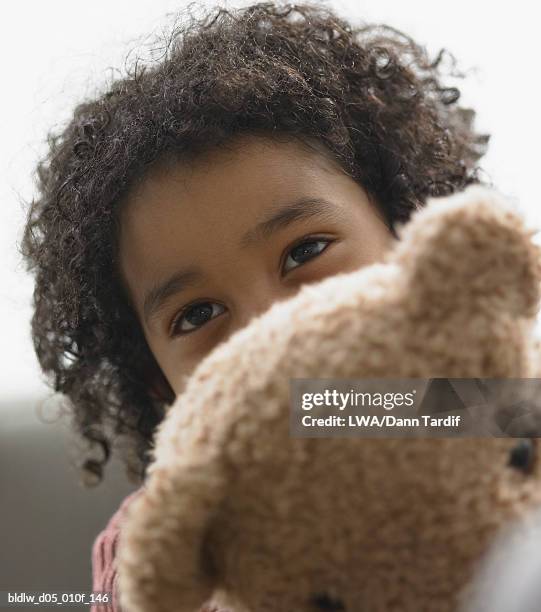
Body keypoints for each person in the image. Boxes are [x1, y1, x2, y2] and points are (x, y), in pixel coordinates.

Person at [20, 1, 489, 609]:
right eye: (196, 315)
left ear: (410, 231)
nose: (270, 326)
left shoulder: (488, 407)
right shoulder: (166, 544)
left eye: (305, 252)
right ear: (158, 382)